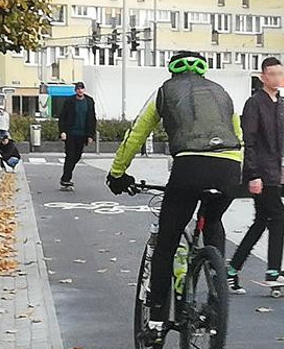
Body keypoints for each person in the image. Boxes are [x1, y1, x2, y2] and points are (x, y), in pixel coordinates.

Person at [106, 51, 243, 346]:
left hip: (189, 168)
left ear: (173, 71)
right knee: (213, 220)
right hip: (230, 168)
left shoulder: (165, 91)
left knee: (167, 241)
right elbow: (239, 136)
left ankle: (156, 322)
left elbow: (137, 133)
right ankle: (215, 297)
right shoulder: (222, 93)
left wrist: (117, 173)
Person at [227, 56, 284, 296]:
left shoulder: (281, 102)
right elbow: (249, 141)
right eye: (272, 74)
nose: (277, 78)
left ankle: (232, 270)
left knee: (261, 221)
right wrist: (253, 174)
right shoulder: (254, 103)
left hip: (274, 170)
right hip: (261, 172)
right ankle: (273, 271)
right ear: (262, 77)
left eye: (280, 73)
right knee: (279, 217)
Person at [59, 82, 97, 188]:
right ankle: (66, 179)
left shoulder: (89, 101)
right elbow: (63, 116)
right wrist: (62, 131)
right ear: (75, 90)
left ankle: (65, 177)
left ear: (84, 90)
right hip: (71, 133)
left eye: (81, 89)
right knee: (70, 156)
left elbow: (92, 119)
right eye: (78, 89)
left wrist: (91, 135)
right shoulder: (69, 101)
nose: (80, 91)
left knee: (77, 156)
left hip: (82, 134)